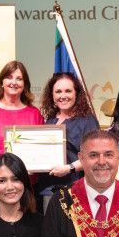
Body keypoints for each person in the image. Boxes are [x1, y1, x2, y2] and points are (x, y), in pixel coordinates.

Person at [0, 61, 45, 189]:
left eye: (19, 79)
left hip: (26, 183)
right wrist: (1, 168)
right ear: (2, 82)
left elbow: (41, 149)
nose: (14, 82)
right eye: (9, 77)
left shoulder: (34, 113)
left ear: (25, 84)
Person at [38, 72, 99, 200]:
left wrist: (69, 168)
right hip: (48, 190)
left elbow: (94, 155)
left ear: (76, 93)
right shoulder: (50, 120)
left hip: (75, 189)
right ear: (52, 95)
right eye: (58, 91)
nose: (63, 96)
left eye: (68, 91)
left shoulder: (87, 120)